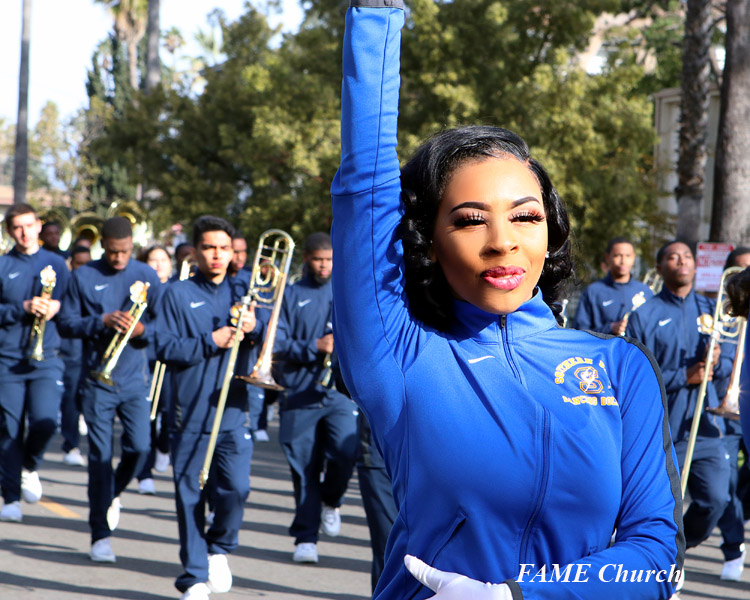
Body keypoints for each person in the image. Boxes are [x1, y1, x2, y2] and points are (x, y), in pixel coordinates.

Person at [330, 4, 684, 599]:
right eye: (470, 221)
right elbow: (364, 183)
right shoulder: (398, 353)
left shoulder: (621, 368)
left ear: (551, 232)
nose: (502, 241)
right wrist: (377, 14)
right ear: (427, 242)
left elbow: (655, 554)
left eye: (525, 216)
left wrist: (515, 597)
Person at [155, 216, 261, 600]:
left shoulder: (246, 288)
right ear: (196, 251)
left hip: (233, 409)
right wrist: (210, 340)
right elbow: (161, 347)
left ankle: (220, 547)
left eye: (224, 248)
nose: (217, 255)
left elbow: (267, 336)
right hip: (189, 410)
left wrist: (255, 326)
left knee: (237, 487)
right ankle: (194, 577)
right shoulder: (175, 294)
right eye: (209, 248)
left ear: (233, 252)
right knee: (189, 496)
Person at [57, 216, 162, 563]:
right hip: (96, 381)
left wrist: (142, 329)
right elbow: (67, 323)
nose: (119, 258)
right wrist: (100, 321)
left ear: (132, 245)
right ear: (103, 244)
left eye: (125, 251)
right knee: (100, 459)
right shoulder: (82, 276)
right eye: (113, 252)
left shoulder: (146, 275)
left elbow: (163, 324)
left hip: (134, 379)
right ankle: (99, 534)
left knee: (140, 448)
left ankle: (111, 495)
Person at [627, 241, 733, 577]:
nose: (681, 262)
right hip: (663, 429)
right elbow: (637, 373)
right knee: (657, 508)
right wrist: (684, 376)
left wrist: (719, 363)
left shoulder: (712, 309)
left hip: (705, 428)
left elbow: (731, 360)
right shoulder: (645, 315)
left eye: (687, 256)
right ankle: (656, 564)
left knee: (717, 500)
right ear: (660, 268)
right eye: (672, 257)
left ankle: (673, 553)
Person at [274, 232, 359, 564]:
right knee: (304, 469)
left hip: (339, 391)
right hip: (299, 392)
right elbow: (276, 343)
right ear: (307, 259)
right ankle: (306, 537)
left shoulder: (348, 290)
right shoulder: (291, 293)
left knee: (345, 454)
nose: (324, 265)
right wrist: (314, 347)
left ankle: (331, 501)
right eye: (317, 259)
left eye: (329, 259)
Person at [0, 204, 70, 522]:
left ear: (39, 225)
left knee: (45, 422)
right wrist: (23, 307)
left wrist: (55, 308)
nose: (25, 232)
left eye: (29, 225)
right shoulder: (3, 265)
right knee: (9, 430)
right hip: (9, 359)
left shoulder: (57, 263)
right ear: (9, 231)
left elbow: (71, 310)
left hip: (47, 358)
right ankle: (10, 496)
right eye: (17, 227)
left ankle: (30, 464)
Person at [710, 246, 750, 581]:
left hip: (741, 399)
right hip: (722, 409)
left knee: (740, 486)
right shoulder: (714, 311)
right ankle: (733, 546)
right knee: (723, 487)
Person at [135, 244, 174, 494]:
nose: (158, 264)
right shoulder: (140, 289)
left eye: (163, 259)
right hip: (146, 361)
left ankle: (164, 446)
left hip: (173, 362)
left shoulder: (179, 289)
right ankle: (144, 472)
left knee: (170, 415)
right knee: (147, 416)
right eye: (153, 260)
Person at [572, 237, 653, 334]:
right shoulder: (593, 292)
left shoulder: (645, 291)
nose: (623, 261)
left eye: (628, 256)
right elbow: (579, 332)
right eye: (617, 255)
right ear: (607, 257)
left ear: (633, 258)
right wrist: (610, 328)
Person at [59, 245, 93, 468]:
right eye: (78, 263)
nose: (83, 268)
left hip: (92, 353)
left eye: (86, 263)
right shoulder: (65, 284)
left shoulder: (94, 284)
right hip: (70, 351)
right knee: (70, 399)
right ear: (71, 264)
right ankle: (70, 444)